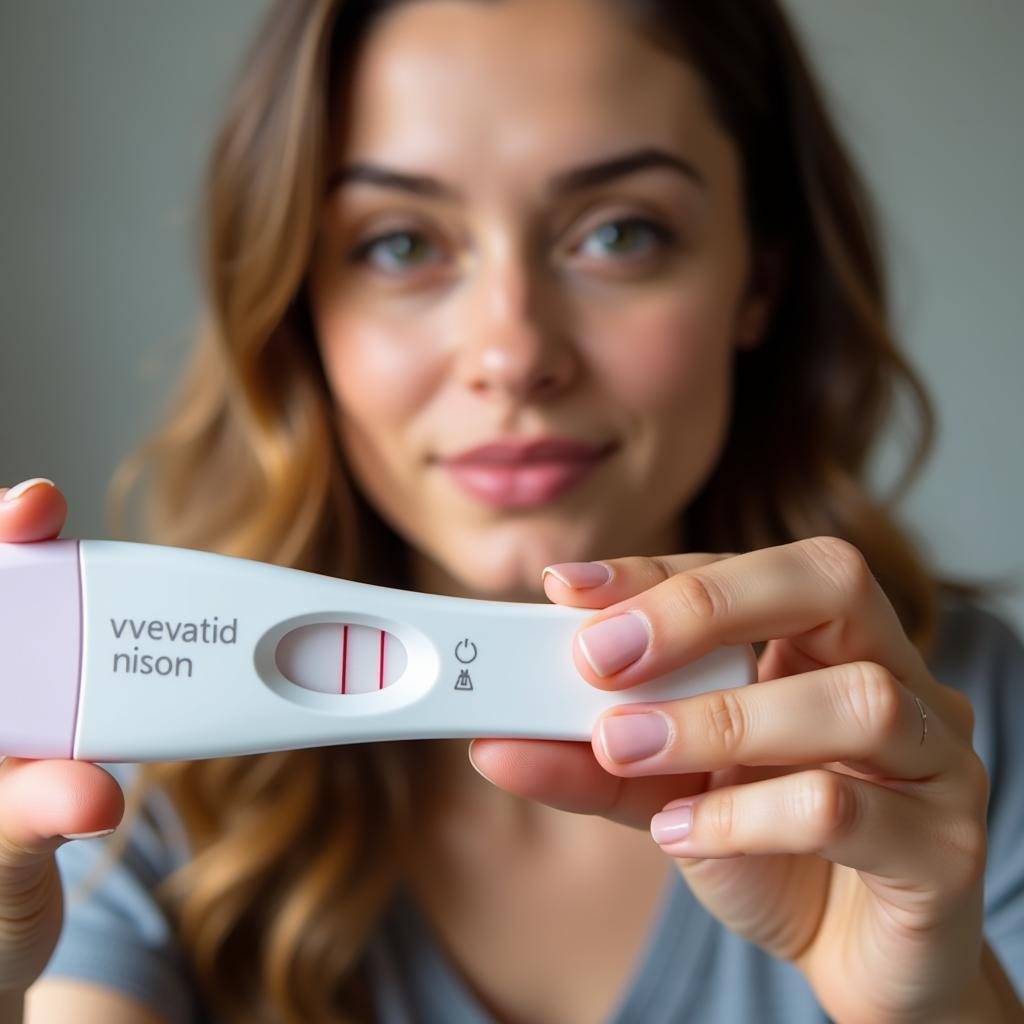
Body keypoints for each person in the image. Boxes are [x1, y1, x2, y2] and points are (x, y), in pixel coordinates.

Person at [1, 0, 1022, 1020]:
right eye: (399, 245)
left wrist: (930, 1007)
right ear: (298, 306)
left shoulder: (939, 734)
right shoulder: (129, 765)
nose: (514, 353)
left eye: (619, 233)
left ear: (758, 276)